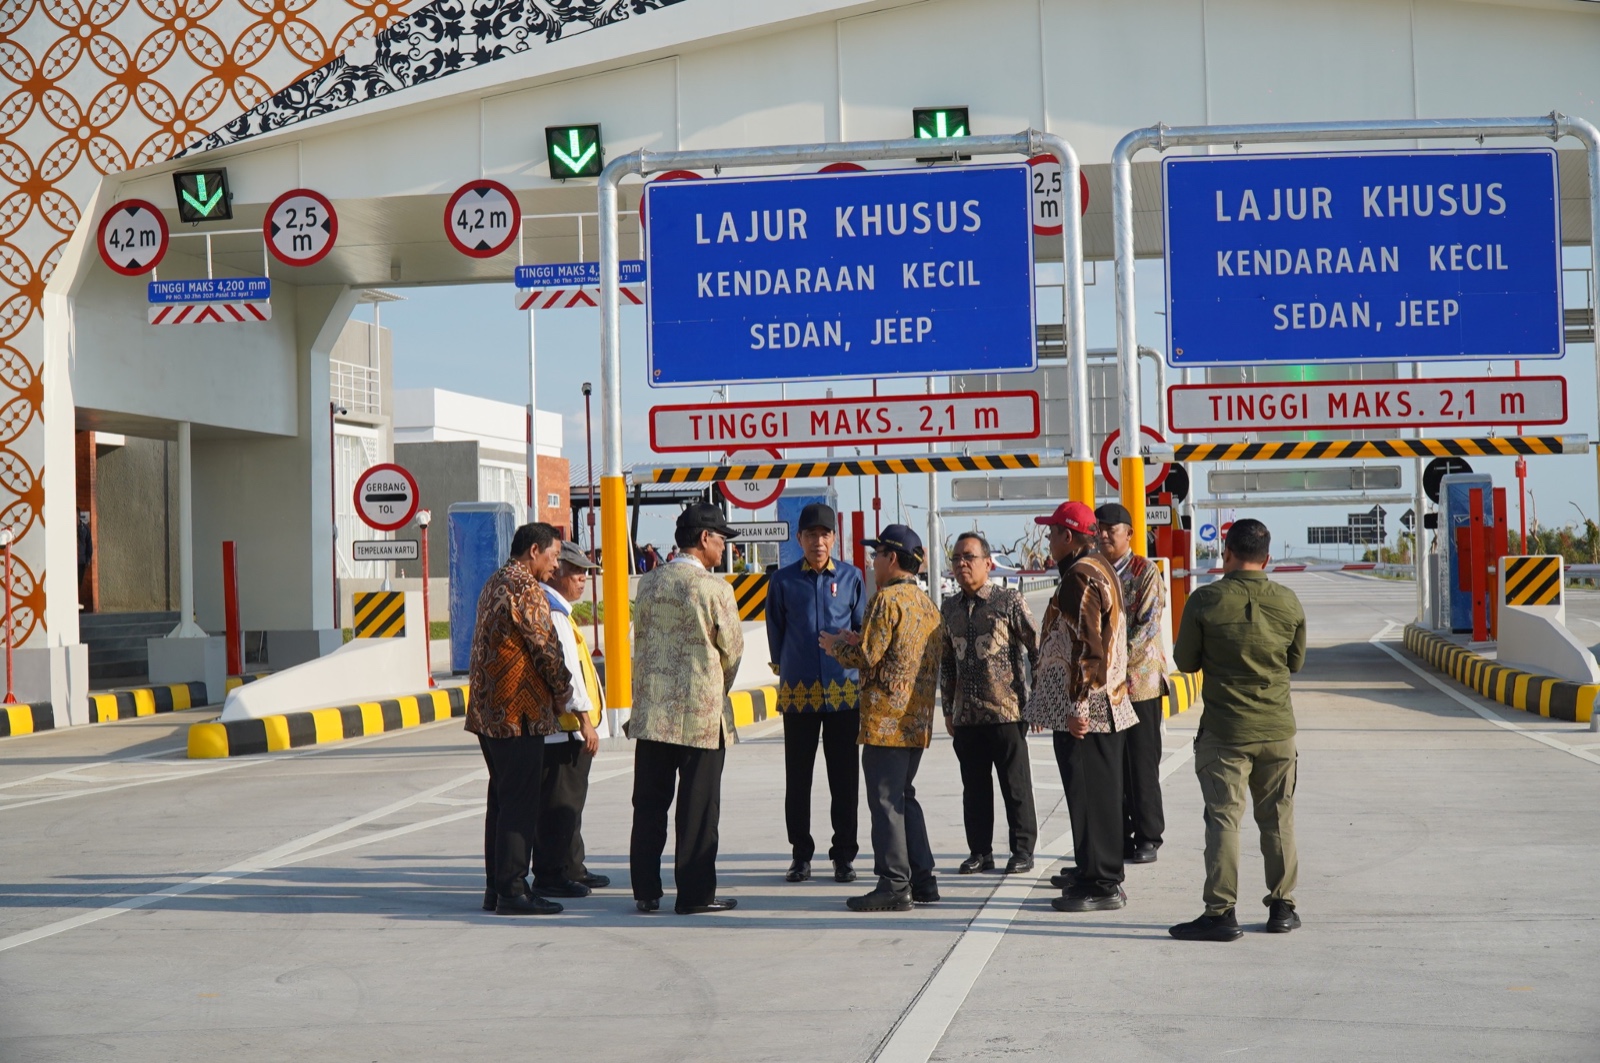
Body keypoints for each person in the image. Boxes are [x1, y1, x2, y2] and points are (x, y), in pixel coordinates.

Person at [1169, 518, 1306, 942]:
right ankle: (1282, 908)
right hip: (1278, 730)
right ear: (1268, 558)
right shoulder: (1288, 601)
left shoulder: (1205, 600)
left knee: (1224, 820)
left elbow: (1186, 662)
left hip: (1226, 733)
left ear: (1225, 552)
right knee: (1278, 818)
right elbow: (1295, 663)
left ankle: (1220, 913)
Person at [628, 502, 745, 915]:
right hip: (700, 717)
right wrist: (717, 688)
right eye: (720, 540)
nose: (723, 548)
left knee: (649, 806)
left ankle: (645, 891)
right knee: (697, 810)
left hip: (652, 715)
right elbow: (732, 652)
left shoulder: (648, 583)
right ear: (704, 540)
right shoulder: (715, 589)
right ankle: (694, 895)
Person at [1024, 501, 1138, 913]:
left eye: (1052, 532)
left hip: (1090, 710)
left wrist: (1079, 706)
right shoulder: (1098, 567)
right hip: (1100, 705)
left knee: (1094, 794)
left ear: (1067, 536)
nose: (1048, 540)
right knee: (1090, 793)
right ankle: (1091, 867)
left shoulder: (1080, 576)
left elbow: (1089, 648)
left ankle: (1103, 881)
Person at [822, 524, 943, 913]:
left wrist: (837, 646)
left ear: (892, 559)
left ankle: (893, 884)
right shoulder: (926, 604)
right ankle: (923, 879)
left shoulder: (885, 601)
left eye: (876, 555)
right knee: (903, 798)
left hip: (885, 721)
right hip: (917, 720)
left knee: (886, 802)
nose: (872, 563)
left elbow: (867, 658)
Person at [466, 522, 574, 916]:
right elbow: (545, 646)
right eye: (553, 555)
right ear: (533, 551)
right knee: (519, 804)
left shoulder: (494, 582)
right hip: (519, 712)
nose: (556, 564)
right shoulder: (525, 588)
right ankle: (513, 889)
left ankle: (496, 888)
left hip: (488, 711)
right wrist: (563, 691)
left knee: (501, 800)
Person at [766, 502, 866, 885]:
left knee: (844, 779)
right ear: (799, 539)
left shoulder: (853, 577)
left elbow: (860, 629)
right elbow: (776, 631)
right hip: (798, 694)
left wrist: (846, 646)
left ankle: (844, 856)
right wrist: (786, 666)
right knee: (799, 778)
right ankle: (800, 855)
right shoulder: (783, 581)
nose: (818, 541)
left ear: (834, 538)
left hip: (844, 693)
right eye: (811, 535)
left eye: (825, 534)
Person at [940, 531, 1039, 875]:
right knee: (974, 789)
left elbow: (1036, 647)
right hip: (966, 715)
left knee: (1015, 786)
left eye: (968, 557)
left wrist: (1038, 697)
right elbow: (947, 661)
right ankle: (980, 852)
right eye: (956, 559)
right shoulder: (949, 607)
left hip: (1006, 711)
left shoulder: (1008, 601)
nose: (961, 564)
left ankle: (1022, 850)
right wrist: (947, 708)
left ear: (987, 563)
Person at [531, 539, 609, 898]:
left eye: (586, 573)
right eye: (576, 572)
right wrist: (584, 722)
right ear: (556, 571)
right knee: (560, 807)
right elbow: (567, 673)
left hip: (567, 730)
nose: (582, 580)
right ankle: (552, 873)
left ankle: (572, 867)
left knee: (570, 804)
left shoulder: (558, 609)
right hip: (565, 730)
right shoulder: (555, 614)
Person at [1095, 503, 1168, 865]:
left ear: (1129, 534)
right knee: (1113, 763)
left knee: (1141, 761)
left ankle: (1149, 835)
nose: (1105, 534)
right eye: (1100, 528)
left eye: (1112, 528)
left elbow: (1148, 625)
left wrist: (1115, 662)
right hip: (1104, 685)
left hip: (1139, 682)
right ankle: (1120, 834)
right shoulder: (1094, 570)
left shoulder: (1145, 571)